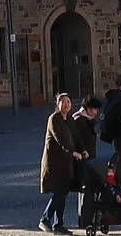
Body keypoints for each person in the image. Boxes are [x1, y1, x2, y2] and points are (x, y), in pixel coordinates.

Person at [38, 91, 93, 234]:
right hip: (55, 162)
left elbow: (76, 137)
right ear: (57, 104)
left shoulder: (69, 119)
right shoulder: (54, 119)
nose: (67, 104)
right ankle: (45, 219)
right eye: (63, 102)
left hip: (66, 162)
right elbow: (60, 139)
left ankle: (58, 225)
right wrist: (73, 152)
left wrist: (83, 149)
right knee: (60, 192)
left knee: (63, 192)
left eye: (68, 101)